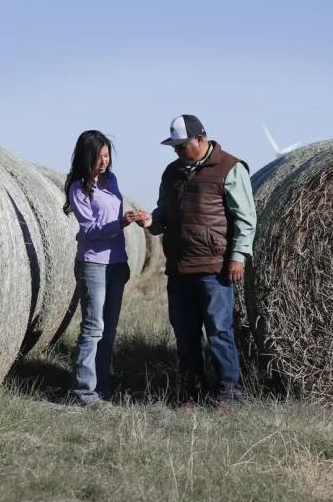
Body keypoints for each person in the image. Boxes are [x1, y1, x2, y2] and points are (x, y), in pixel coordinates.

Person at [136, 115, 256, 406]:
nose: (176, 152)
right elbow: (164, 211)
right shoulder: (172, 172)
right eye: (174, 148)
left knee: (219, 331)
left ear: (200, 139)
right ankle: (192, 391)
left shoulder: (230, 167)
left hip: (214, 268)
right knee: (185, 334)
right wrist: (152, 221)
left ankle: (228, 393)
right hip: (179, 268)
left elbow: (245, 217)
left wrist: (238, 256)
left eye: (181, 146)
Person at [64, 130, 137, 406]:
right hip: (93, 264)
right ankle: (83, 391)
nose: (104, 161)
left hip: (116, 263)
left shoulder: (112, 180)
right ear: (87, 157)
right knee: (93, 328)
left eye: (107, 155)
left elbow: (113, 220)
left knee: (109, 330)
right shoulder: (79, 189)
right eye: (99, 156)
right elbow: (92, 231)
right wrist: (121, 223)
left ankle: (102, 385)